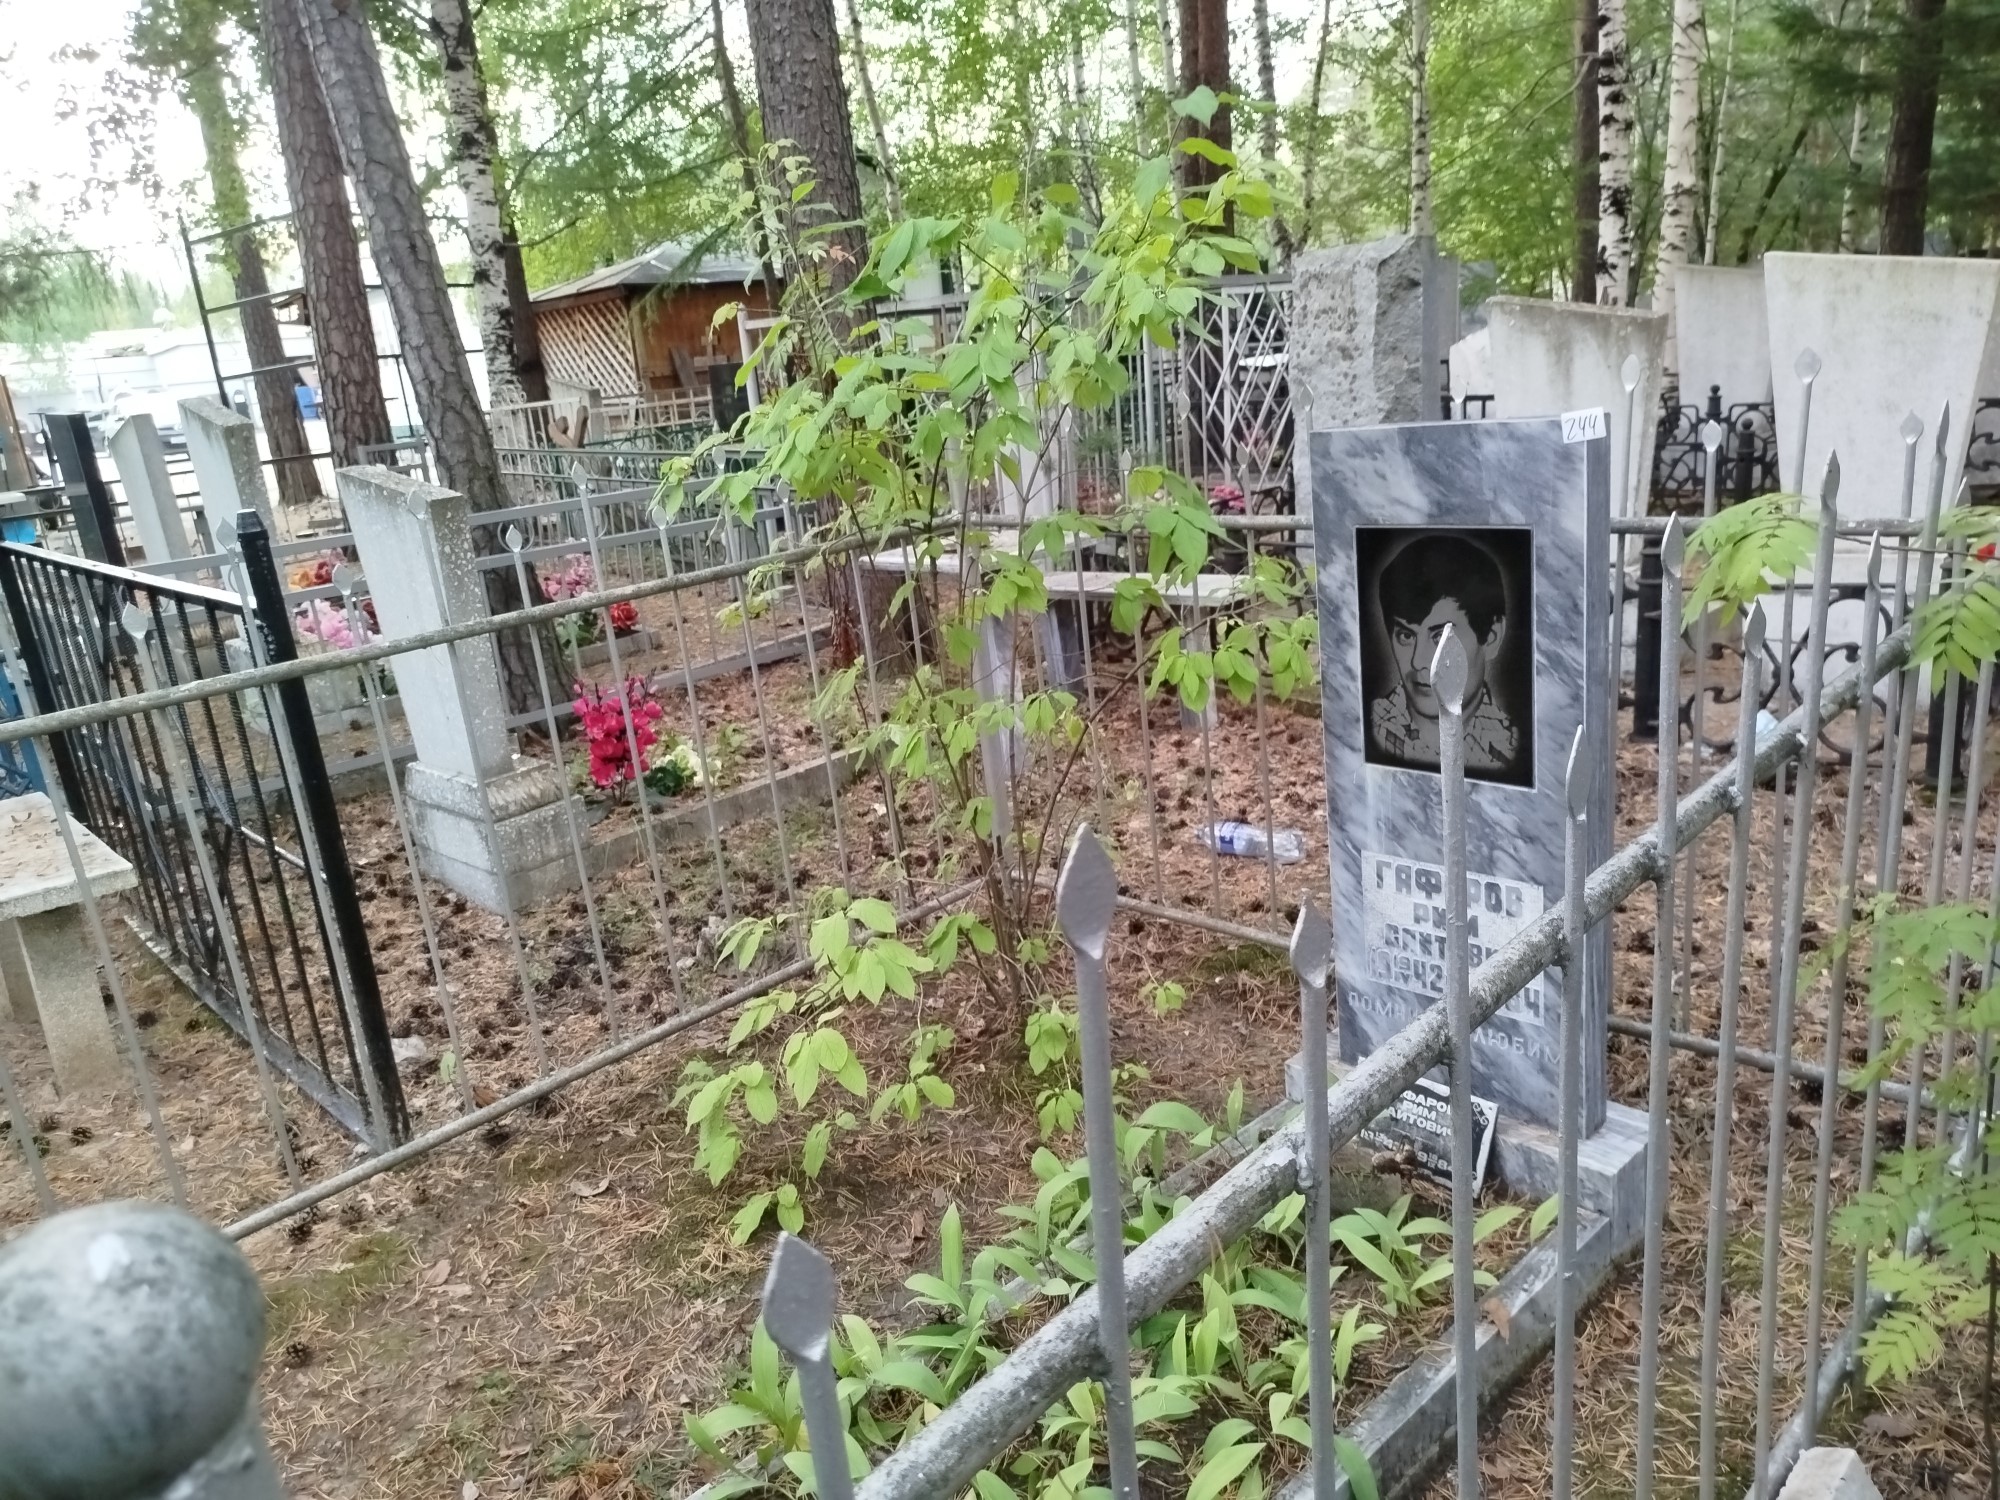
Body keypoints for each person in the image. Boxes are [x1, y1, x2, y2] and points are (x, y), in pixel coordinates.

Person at [1367, 533, 1521, 776]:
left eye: (1440, 637)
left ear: (1491, 637)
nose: (1418, 661)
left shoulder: (1514, 749)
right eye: (1406, 635)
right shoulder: (1367, 726)